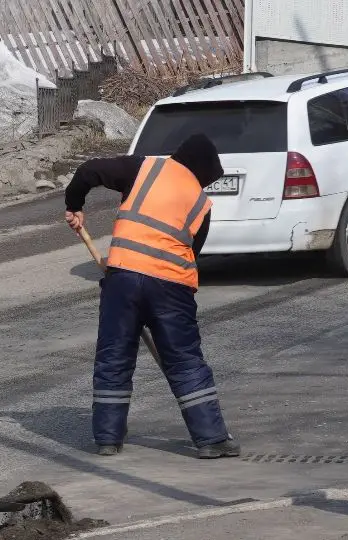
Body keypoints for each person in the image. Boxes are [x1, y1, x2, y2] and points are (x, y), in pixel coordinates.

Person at [65, 133, 237, 458]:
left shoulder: (143, 168)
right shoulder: (201, 203)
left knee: (114, 357)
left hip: (123, 281)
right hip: (172, 289)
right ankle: (211, 439)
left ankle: (107, 439)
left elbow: (88, 171)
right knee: (185, 360)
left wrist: (74, 205)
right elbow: (192, 253)